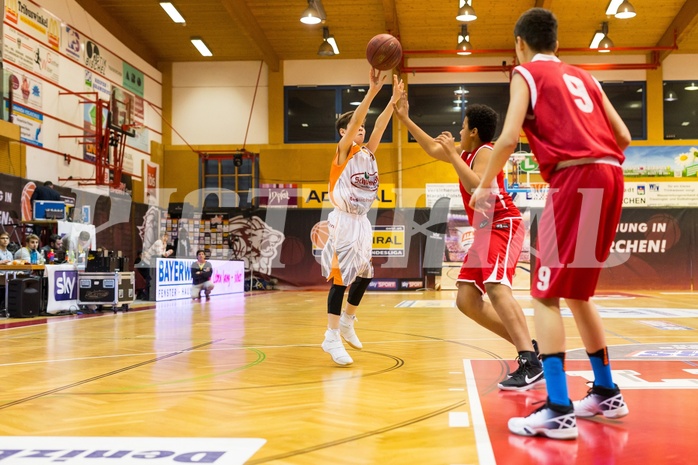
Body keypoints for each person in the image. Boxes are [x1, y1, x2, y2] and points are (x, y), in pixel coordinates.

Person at [470, 7, 631, 440]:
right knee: (579, 294)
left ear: (519, 44)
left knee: (545, 295)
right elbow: (624, 137)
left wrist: (484, 187)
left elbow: (506, 138)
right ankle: (606, 391)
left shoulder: (525, 75)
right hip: (611, 175)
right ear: (557, 44)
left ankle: (558, 407)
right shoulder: (586, 77)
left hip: (574, 177)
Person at [393, 98, 542, 390]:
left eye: (462, 127)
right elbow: (434, 149)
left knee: (497, 289)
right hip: (485, 230)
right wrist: (405, 119)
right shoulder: (468, 152)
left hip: (502, 224)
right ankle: (529, 347)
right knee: (466, 300)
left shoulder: (485, 151)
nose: (458, 132)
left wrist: (453, 154)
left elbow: (478, 187)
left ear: (473, 132)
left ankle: (530, 362)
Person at [319, 69, 403, 366]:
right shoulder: (343, 152)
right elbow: (358, 118)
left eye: (362, 128)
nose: (362, 130)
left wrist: (392, 101)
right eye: (356, 128)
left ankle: (347, 321)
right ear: (344, 133)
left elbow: (378, 126)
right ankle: (330, 337)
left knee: (366, 273)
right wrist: (373, 90)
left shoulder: (368, 153)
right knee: (340, 281)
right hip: (343, 220)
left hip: (362, 221)